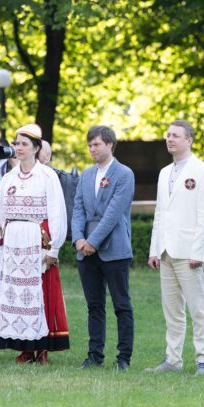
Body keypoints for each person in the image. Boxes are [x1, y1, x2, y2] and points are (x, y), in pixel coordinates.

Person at [0, 124, 69, 365]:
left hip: (37, 239)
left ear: (36, 148)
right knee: (16, 295)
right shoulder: (8, 178)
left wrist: (54, 248)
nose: (19, 147)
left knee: (40, 293)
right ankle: (24, 349)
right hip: (12, 241)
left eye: (24, 144)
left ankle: (42, 349)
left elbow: (57, 213)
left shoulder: (48, 176)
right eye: (17, 143)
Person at [145, 120, 204, 375]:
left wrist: (199, 252)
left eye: (176, 136)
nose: (170, 139)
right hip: (166, 251)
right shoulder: (165, 172)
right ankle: (173, 359)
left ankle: (203, 360)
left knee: (198, 309)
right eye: (168, 135)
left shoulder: (202, 171)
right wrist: (155, 249)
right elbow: (160, 213)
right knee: (172, 311)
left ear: (189, 140)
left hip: (189, 253)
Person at [72, 125, 135, 371]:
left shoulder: (124, 174)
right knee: (94, 306)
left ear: (110, 145)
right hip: (85, 250)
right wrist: (78, 238)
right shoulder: (86, 175)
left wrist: (92, 242)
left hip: (114, 249)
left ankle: (123, 358)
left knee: (121, 304)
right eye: (89, 145)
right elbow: (77, 209)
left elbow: (113, 214)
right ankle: (94, 355)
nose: (92, 149)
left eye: (96, 144)